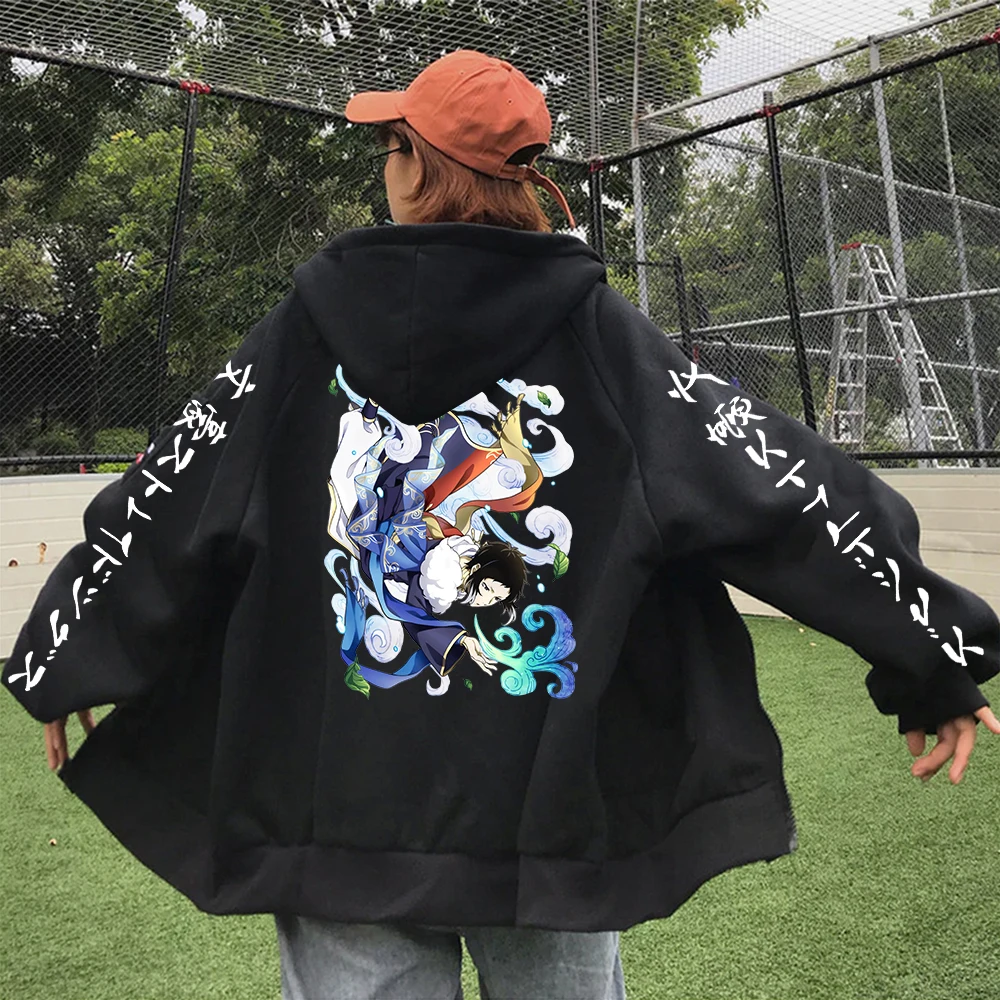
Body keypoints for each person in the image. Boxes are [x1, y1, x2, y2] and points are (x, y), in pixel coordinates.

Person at [5, 48, 998, 1000]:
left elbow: (172, 493)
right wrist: (931, 653)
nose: (384, 164)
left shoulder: (299, 337)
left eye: (390, 144)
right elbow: (782, 489)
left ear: (413, 165)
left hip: (338, 810)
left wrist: (73, 647)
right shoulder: (606, 340)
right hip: (548, 813)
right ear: (521, 182)